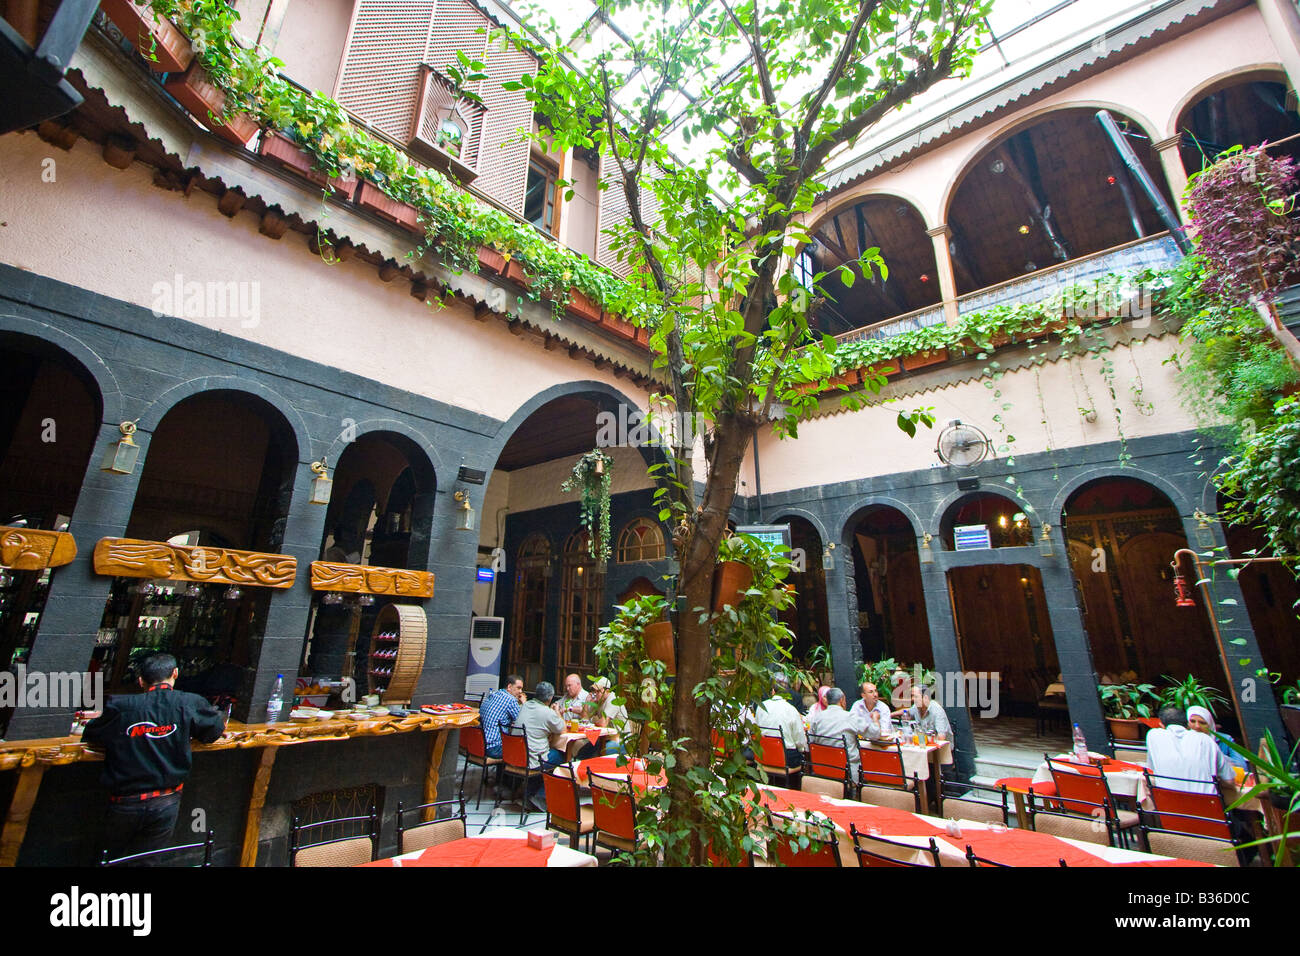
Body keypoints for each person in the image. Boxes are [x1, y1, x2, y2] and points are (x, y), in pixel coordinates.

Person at [82, 652, 227, 863]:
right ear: (175, 673)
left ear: (140, 680)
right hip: (166, 800)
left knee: (107, 859)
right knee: (148, 861)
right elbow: (214, 730)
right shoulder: (189, 703)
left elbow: (91, 735)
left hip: (125, 802)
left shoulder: (121, 707)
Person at [1146, 705, 1235, 794]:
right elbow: (1230, 782)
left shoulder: (1153, 735)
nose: (1197, 726)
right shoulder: (1207, 740)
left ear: (1161, 725)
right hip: (1206, 805)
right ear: (1187, 724)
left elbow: (1151, 769)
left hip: (1166, 805)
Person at [514, 681, 565, 810]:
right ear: (550, 698)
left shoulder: (525, 706)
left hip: (514, 757)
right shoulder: (547, 712)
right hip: (531, 760)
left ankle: (527, 793)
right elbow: (562, 729)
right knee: (560, 756)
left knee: (540, 756)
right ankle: (540, 797)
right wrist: (557, 711)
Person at [809, 688, 872, 782]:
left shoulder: (817, 718)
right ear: (842, 700)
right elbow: (874, 733)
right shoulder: (850, 717)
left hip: (822, 769)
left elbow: (810, 742)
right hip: (847, 772)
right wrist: (875, 720)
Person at [755, 676, 808, 774]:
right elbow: (800, 741)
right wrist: (802, 749)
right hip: (785, 757)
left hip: (763, 753)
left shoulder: (761, 706)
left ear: (773, 691)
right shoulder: (791, 710)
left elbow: (757, 729)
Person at [578, 676, 628, 758]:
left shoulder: (613, 700)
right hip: (605, 739)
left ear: (607, 691)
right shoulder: (598, 700)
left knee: (596, 754)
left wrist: (593, 723)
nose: (595, 693)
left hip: (621, 741)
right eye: (594, 691)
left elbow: (603, 723)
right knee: (583, 753)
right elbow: (584, 719)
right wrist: (587, 702)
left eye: (598, 691)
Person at [1187, 704, 1248, 772]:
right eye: (1192, 721)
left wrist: (1217, 757)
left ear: (1210, 725)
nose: (1197, 726)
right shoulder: (1184, 740)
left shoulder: (1225, 739)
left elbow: (1242, 766)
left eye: (1202, 723)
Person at [479, 674, 523, 760]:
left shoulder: (494, 694)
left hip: (480, 745)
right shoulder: (510, 700)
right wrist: (524, 703)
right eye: (518, 688)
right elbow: (522, 721)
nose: (521, 691)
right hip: (494, 748)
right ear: (509, 687)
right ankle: (508, 773)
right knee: (524, 751)